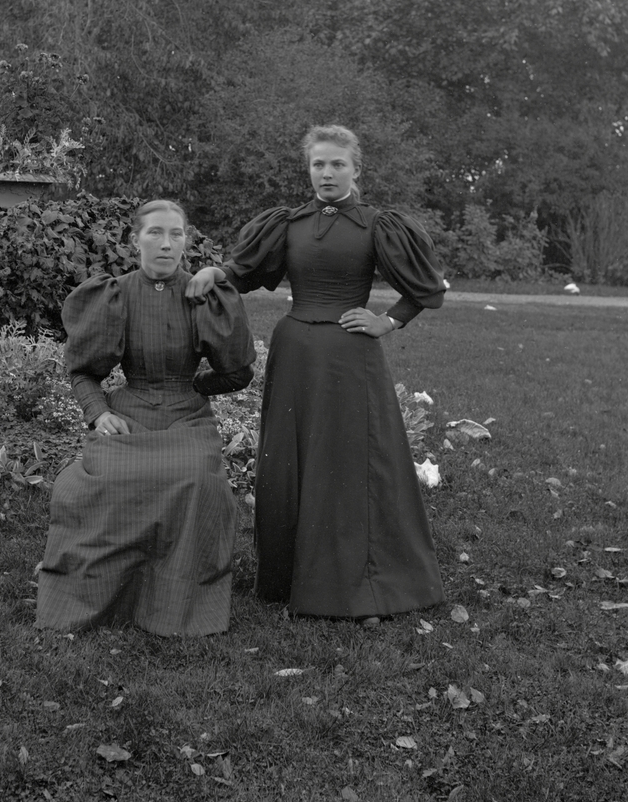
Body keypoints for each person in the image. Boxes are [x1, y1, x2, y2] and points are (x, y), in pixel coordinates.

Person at [186, 126, 447, 624]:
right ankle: (289, 578)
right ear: (308, 169)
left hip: (350, 357)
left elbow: (426, 288)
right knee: (293, 461)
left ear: (356, 169)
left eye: (337, 164)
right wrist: (214, 273)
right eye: (318, 164)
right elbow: (243, 272)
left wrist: (387, 321)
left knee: (350, 464)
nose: (327, 173)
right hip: (295, 354)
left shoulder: (378, 226)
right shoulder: (288, 223)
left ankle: (361, 586)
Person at [36, 200, 256, 637]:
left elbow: (239, 372)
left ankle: (175, 603)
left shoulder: (202, 294)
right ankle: (102, 594)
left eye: (176, 234)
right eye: (155, 232)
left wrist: (198, 387)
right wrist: (99, 413)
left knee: (196, 477)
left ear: (185, 242)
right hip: (128, 409)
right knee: (110, 474)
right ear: (134, 240)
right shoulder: (115, 294)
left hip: (186, 414)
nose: (166, 243)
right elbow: (83, 372)